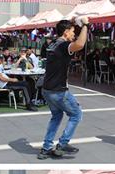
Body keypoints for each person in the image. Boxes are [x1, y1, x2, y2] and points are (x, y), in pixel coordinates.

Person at [39, 18, 89, 160]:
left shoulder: (53, 43)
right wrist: (85, 25)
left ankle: (46, 148)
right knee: (76, 114)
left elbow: (65, 29)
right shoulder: (63, 45)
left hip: (47, 89)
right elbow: (80, 44)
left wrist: (71, 21)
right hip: (58, 91)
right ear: (66, 32)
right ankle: (62, 144)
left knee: (56, 116)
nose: (74, 34)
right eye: (73, 31)